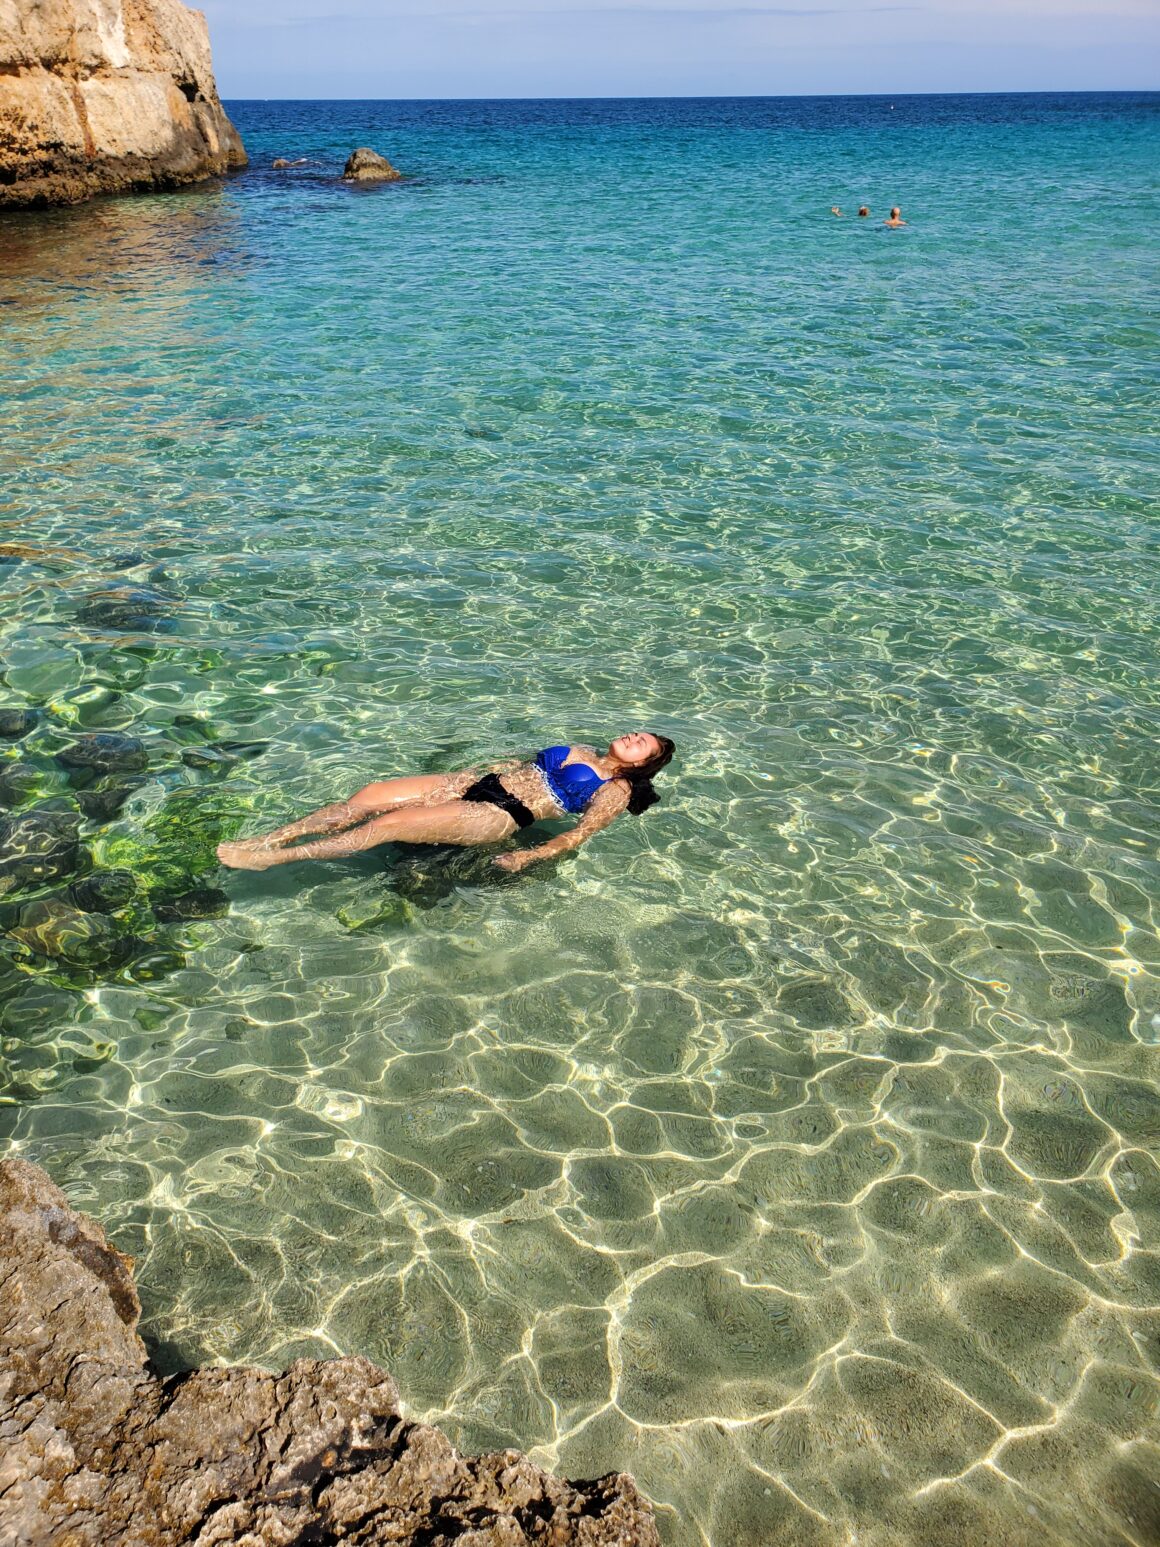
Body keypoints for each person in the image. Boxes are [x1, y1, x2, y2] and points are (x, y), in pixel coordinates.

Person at [216, 732, 676, 875]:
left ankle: (277, 858)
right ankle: (272, 836)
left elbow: (579, 834)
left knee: (389, 824)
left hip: (498, 815)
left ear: (643, 766)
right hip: (477, 785)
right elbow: (522, 763)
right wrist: (480, 772)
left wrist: (530, 855)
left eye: (643, 745)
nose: (634, 737)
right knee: (372, 795)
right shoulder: (582, 749)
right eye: (637, 732)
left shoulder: (615, 791)